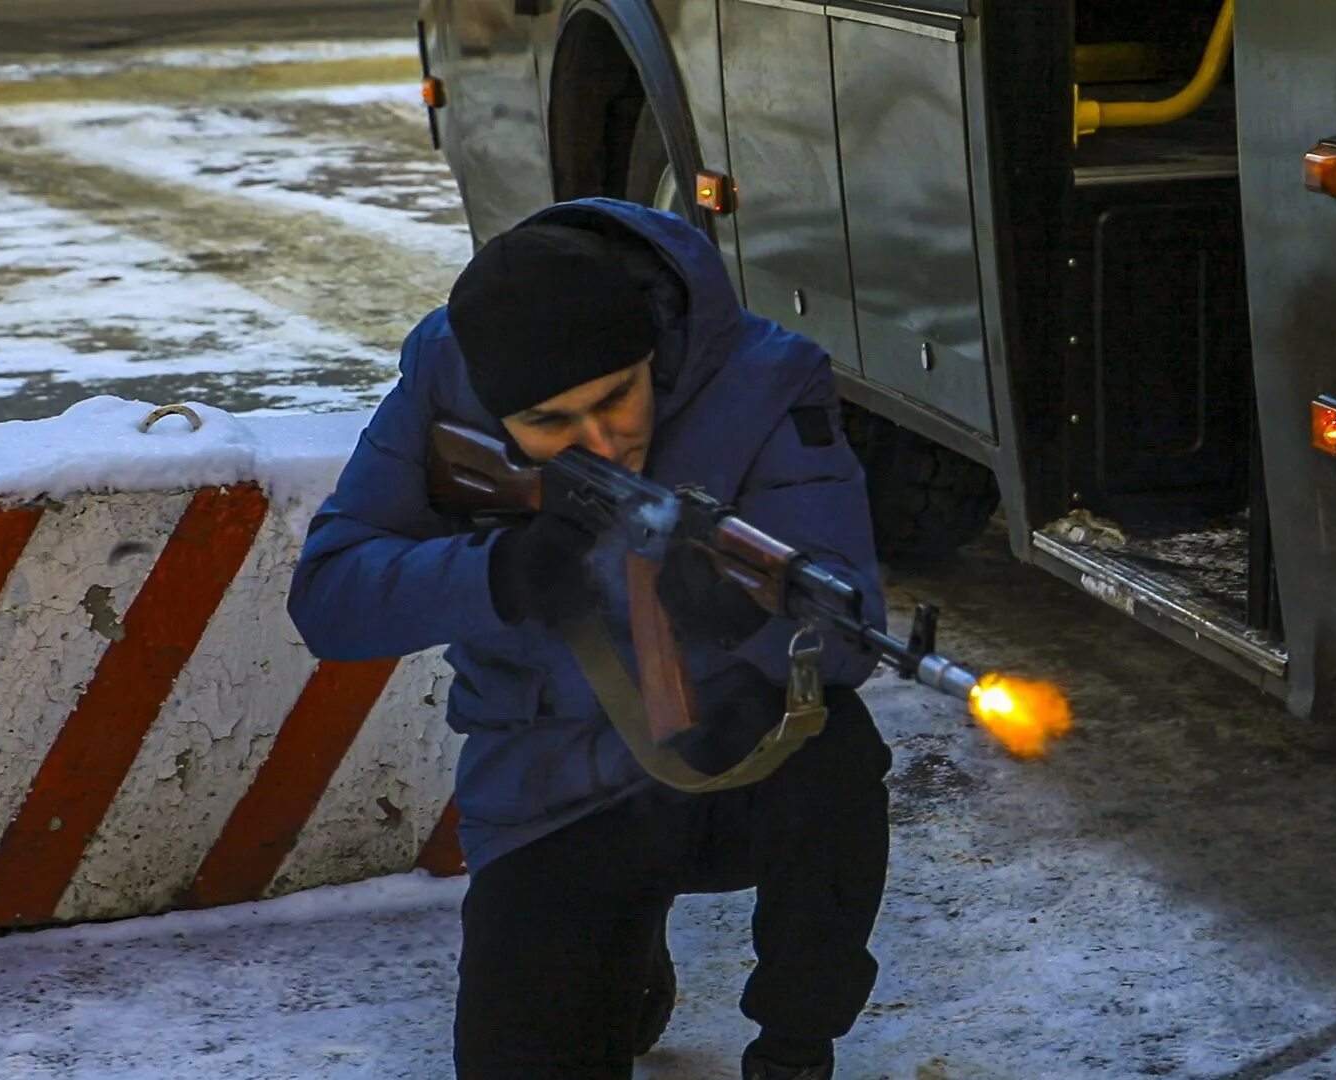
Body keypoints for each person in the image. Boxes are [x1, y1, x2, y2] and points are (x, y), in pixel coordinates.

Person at [287, 197, 892, 1080]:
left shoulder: (765, 381)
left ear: (654, 349)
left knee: (837, 760)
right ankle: (623, 954)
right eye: (555, 425)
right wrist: (499, 572)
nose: (604, 443)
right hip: (550, 787)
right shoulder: (443, 376)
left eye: (618, 397)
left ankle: (795, 1046)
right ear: (497, 421)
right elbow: (329, 598)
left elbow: (849, 643)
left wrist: (742, 613)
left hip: (732, 758)